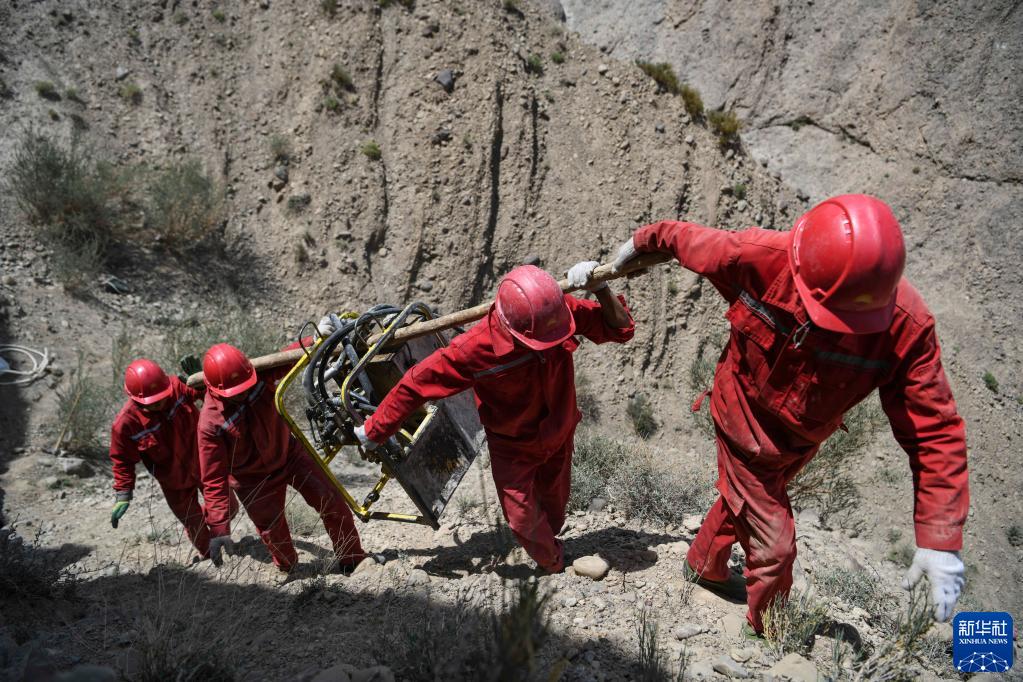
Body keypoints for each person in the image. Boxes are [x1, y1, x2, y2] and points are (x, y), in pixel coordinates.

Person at [612, 194, 969, 633]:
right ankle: (770, 630)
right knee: (775, 547)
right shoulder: (759, 257)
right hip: (741, 416)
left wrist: (939, 540)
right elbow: (684, 239)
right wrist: (639, 243)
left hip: (798, 440)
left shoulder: (907, 329)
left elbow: (934, 433)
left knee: (746, 500)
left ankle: (704, 565)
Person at [354, 263, 635, 573]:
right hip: (512, 447)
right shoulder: (473, 349)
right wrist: (374, 430)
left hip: (559, 429)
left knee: (554, 509)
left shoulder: (555, 313)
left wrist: (600, 289)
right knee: (522, 518)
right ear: (512, 330)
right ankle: (554, 564)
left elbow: (621, 330)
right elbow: (415, 384)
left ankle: (551, 539)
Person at [197, 343, 366, 573]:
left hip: (290, 456)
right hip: (252, 481)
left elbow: (289, 356)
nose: (243, 393)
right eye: (235, 393)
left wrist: (317, 338)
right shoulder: (210, 424)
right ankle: (290, 569)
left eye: (245, 387)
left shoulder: (259, 376)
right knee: (273, 534)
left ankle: (352, 560)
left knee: (331, 501)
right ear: (217, 391)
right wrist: (219, 528)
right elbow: (214, 478)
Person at [109, 359, 218, 560]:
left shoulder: (176, 387)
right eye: (152, 402)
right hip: (173, 482)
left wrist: (202, 382)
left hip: (205, 464)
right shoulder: (126, 424)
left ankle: (212, 524)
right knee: (195, 525)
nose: (160, 403)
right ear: (136, 399)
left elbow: (211, 399)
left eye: (162, 397)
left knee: (227, 509)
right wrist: (123, 494)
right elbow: (123, 461)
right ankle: (211, 555)